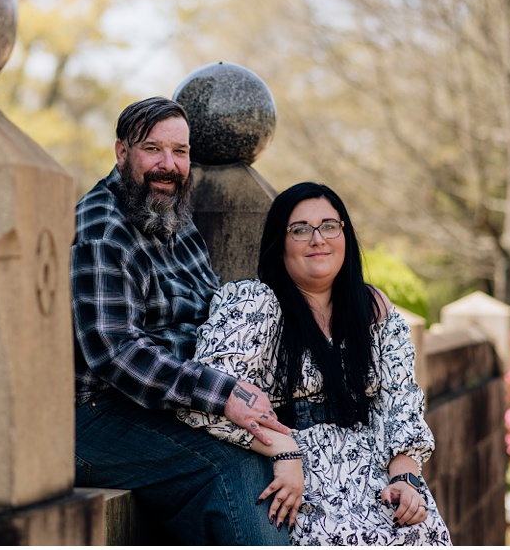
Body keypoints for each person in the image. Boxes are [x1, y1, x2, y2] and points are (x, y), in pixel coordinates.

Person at [179, 182, 453, 545]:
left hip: (373, 474)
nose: (318, 239)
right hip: (290, 475)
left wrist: (406, 479)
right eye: (300, 229)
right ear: (280, 244)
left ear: (345, 235)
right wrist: (284, 449)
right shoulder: (253, 303)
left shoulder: (373, 310)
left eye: (329, 225)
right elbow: (209, 398)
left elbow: (400, 401)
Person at [70, 96, 291, 545]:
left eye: (180, 151)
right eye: (152, 149)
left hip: (172, 395)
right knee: (237, 463)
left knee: (299, 430)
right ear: (121, 152)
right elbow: (116, 354)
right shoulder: (101, 228)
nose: (168, 164)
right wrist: (223, 394)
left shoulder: (173, 213)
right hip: (95, 416)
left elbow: (213, 309)